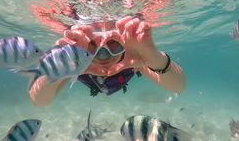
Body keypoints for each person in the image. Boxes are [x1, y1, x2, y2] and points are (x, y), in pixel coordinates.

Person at [29, 16, 186, 107]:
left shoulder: (134, 56)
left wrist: (155, 59)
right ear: (79, 47)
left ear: (123, 40)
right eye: (92, 44)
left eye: (112, 42)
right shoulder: (73, 63)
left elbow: (177, 86)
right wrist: (59, 65)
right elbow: (39, 101)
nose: (103, 56)